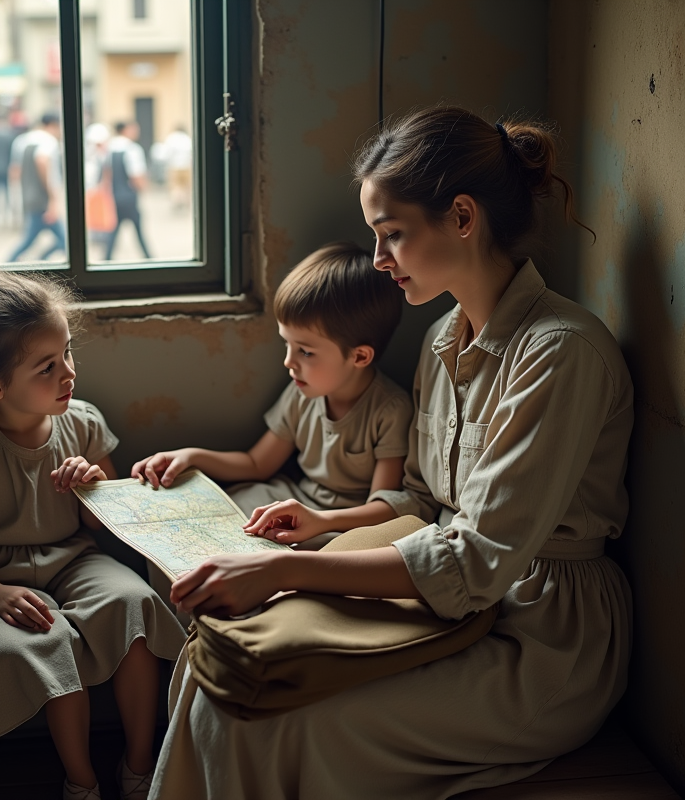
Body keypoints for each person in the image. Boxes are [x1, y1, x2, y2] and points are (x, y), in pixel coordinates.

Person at [148, 106, 635, 799]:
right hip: (453, 598)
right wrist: (323, 528)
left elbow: (478, 559)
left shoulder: (560, 353)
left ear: (462, 218)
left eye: (393, 235)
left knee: (269, 722)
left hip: (541, 637)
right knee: (219, 671)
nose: (378, 261)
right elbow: (426, 502)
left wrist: (287, 570)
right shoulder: (442, 340)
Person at [0, 269, 186, 800]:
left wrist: (95, 489)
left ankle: (139, 766)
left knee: (134, 603)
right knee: (47, 638)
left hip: (72, 559)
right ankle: (80, 781)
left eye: (68, 353)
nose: (69, 374)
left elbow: (102, 529)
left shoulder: (82, 423)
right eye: (46, 366)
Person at [132, 242, 411, 551]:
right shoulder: (301, 391)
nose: (289, 362)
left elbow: (384, 509)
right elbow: (256, 464)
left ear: (359, 356)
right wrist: (192, 456)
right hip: (291, 496)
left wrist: (321, 519)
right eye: (287, 345)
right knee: (210, 518)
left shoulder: (390, 410)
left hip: (341, 523)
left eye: (305, 351)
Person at [7, 113, 66, 262]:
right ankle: (8, 265)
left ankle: (40, 260)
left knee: (36, 238)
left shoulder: (22, 140)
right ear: (53, 125)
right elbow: (42, 160)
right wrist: (52, 197)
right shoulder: (48, 141)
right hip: (42, 198)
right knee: (64, 240)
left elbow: (15, 170)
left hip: (29, 196)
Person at [103, 121, 152, 260]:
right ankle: (148, 257)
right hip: (129, 195)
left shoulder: (110, 148)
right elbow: (136, 175)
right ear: (125, 130)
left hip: (115, 194)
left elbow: (107, 173)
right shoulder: (132, 149)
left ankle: (107, 258)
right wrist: (143, 188)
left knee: (115, 227)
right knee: (137, 226)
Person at [162, 125, 192, 211]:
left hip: (174, 166)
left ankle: (177, 201)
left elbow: (166, 153)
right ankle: (186, 202)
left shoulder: (171, 138)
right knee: (186, 186)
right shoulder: (187, 138)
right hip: (186, 166)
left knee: (176, 186)